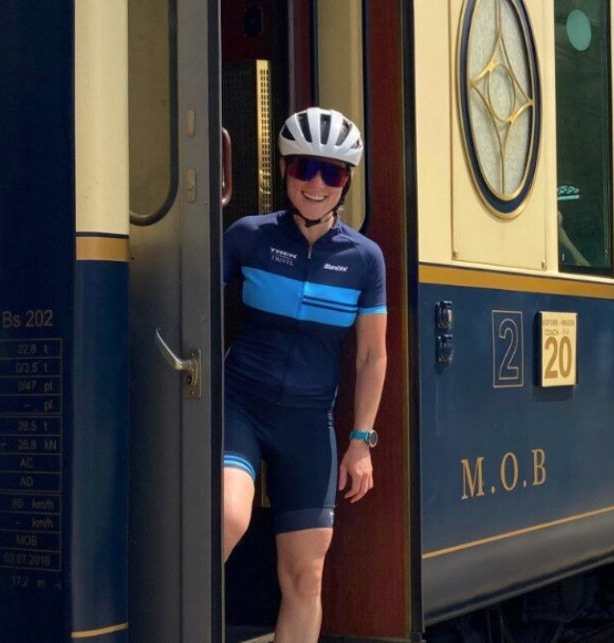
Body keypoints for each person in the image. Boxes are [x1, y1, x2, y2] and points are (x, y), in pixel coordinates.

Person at [220, 107, 387, 643]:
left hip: (309, 422)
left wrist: (361, 441)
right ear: (286, 172)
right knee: (226, 518)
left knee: (306, 575)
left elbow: (371, 357)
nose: (317, 183)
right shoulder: (247, 236)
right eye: (305, 168)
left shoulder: (366, 260)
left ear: (347, 182)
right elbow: (191, 310)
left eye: (332, 173)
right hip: (238, 403)